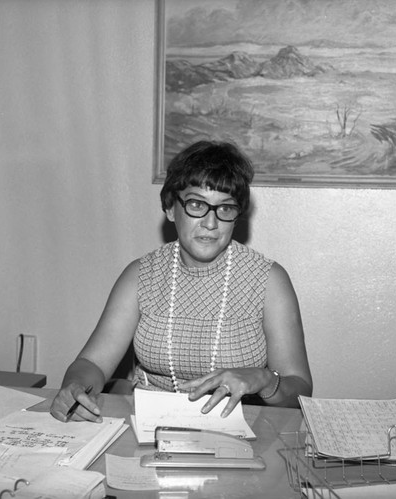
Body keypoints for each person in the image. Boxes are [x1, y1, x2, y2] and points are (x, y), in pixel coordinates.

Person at [50, 140, 312, 423]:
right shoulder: (140, 275)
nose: (211, 223)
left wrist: (263, 379)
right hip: (151, 424)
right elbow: (92, 363)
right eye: (197, 204)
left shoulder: (268, 280)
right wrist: (75, 387)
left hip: (241, 427)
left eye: (225, 208)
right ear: (170, 208)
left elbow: (299, 389)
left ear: (237, 217)